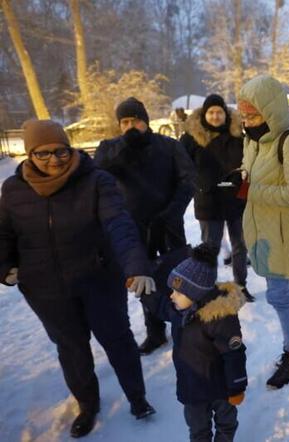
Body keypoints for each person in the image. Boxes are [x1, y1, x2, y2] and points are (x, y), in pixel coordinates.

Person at [0, 120, 157, 438]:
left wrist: (136, 265)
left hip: (98, 279)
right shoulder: (13, 190)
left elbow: (119, 224)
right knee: (71, 348)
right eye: (43, 153)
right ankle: (88, 405)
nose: (54, 159)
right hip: (45, 288)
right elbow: (3, 233)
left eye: (60, 150)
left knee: (118, 339)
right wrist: (3, 265)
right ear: (30, 154)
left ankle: (138, 398)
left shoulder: (96, 181)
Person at [95, 97, 196, 355]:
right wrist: (122, 151)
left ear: (146, 122)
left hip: (168, 223)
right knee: (144, 279)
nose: (131, 126)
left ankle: (184, 325)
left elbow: (187, 182)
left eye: (136, 120)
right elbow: (97, 181)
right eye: (125, 122)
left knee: (178, 277)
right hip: (132, 229)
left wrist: (170, 214)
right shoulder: (109, 148)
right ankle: (155, 331)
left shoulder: (169, 146)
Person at [236, 75, 289, 389]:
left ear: (270, 111)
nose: (247, 121)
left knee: (279, 295)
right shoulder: (252, 140)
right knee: (281, 291)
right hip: (261, 229)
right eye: (243, 115)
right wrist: (240, 178)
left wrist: (253, 190)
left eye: (252, 115)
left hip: (284, 233)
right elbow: (251, 176)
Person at [140, 243, 248, 442]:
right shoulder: (179, 310)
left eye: (178, 292)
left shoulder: (220, 317)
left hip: (220, 389)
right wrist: (144, 293)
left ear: (196, 294)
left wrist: (237, 387)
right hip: (192, 388)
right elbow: (162, 306)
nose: (172, 295)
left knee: (226, 424)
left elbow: (234, 354)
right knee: (198, 430)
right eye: (172, 290)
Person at [179, 94, 254, 302]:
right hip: (208, 201)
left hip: (237, 199)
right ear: (204, 114)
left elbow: (251, 160)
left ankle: (241, 285)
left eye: (219, 112)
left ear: (225, 113)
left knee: (240, 246)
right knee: (209, 248)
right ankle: (206, 287)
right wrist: (197, 184)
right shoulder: (191, 138)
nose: (215, 116)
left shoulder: (238, 134)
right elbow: (182, 166)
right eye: (211, 112)